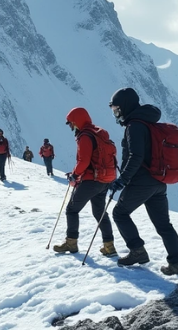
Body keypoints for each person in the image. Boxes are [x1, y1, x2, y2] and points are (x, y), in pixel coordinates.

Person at [108, 88, 178, 275]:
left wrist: (123, 180)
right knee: (163, 225)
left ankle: (138, 251)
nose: (116, 113)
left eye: (117, 108)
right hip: (158, 182)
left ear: (125, 105)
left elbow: (136, 156)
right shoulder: (148, 122)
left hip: (142, 181)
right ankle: (177, 264)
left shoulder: (134, 126)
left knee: (119, 213)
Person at [53, 107, 118, 256]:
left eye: (71, 123)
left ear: (77, 122)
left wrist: (74, 175)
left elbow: (84, 161)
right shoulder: (98, 133)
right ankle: (109, 246)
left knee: (72, 209)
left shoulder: (85, 136)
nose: (70, 127)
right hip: (104, 180)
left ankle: (71, 243)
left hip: (91, 181)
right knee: (99, 212)